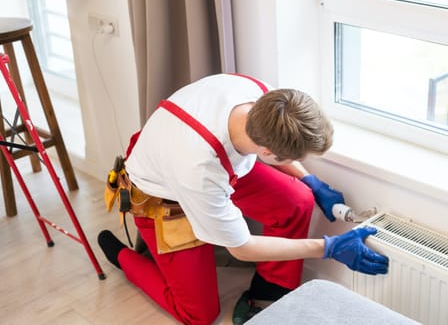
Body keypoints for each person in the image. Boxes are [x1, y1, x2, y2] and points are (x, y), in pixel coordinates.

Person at [98, 73, 389, 325]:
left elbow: (273, 148)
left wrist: (310, 181)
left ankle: (269, 289)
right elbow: (242, 248)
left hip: (207, 164)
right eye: (293, 160)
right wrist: (326, 247)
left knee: (298, 200)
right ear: (266, 154)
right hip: (162, 196)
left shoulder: (261, 95)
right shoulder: (200, 171)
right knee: (198, 315)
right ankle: (123, 257)